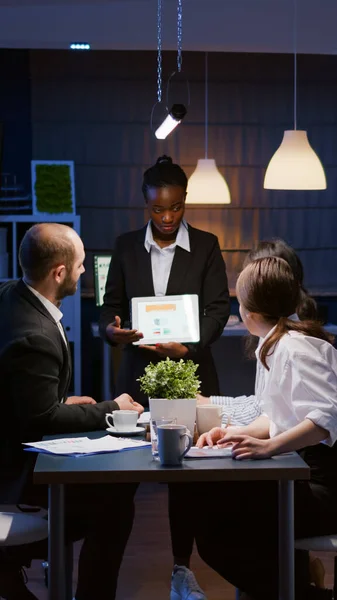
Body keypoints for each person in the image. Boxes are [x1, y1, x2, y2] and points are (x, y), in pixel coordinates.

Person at [99, 155, 230, 599]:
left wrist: (188, 347)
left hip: (191, 372)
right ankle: (103, 580)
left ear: (185, 201)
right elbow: (108, 306)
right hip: (136, 374)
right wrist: (111, 330)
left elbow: (218, 309)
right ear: (145, 205)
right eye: (158, 209)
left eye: (176, 207)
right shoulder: (124, 245)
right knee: (123, 474)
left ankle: (181, 570)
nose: (168, 217)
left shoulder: (208, 246)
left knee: (188, 478)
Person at [0, 223, 144, 600]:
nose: (84, 272)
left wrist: (60, 401)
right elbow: (40, 421)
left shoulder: (11, 295)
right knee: (114, 505)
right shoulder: (35, 334)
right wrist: (111, 409)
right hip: (13, 476)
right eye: (80, 266)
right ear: (59, 272)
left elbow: (18, 393)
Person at [194, 256, 337, 600]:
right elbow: (275, 414)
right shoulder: (274, 344)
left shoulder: (293, 348)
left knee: (215, 531)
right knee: (214, 519)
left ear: (250, 311)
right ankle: (299, 589)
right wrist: (235, 432)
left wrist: (270, 447)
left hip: (323, 489)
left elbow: (324, 419)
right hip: (300, 478)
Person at [197, 238, 319, 426]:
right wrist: (208, 404)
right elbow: (264, 408)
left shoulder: (293, 346)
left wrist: (210, 409)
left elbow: (314, 419)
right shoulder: (272, 336)